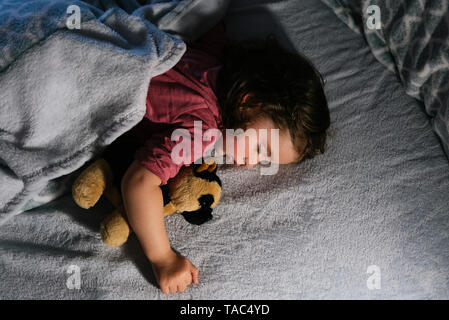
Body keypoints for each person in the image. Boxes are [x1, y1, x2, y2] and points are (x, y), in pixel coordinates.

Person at [104, 21, 330, 294]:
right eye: (261, 149)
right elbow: (139, 182)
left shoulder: (215, 56)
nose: (250, 162)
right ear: (249, 101)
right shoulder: (203, 131)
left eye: (263, 161)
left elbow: (211, 21)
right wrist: (163, 258)